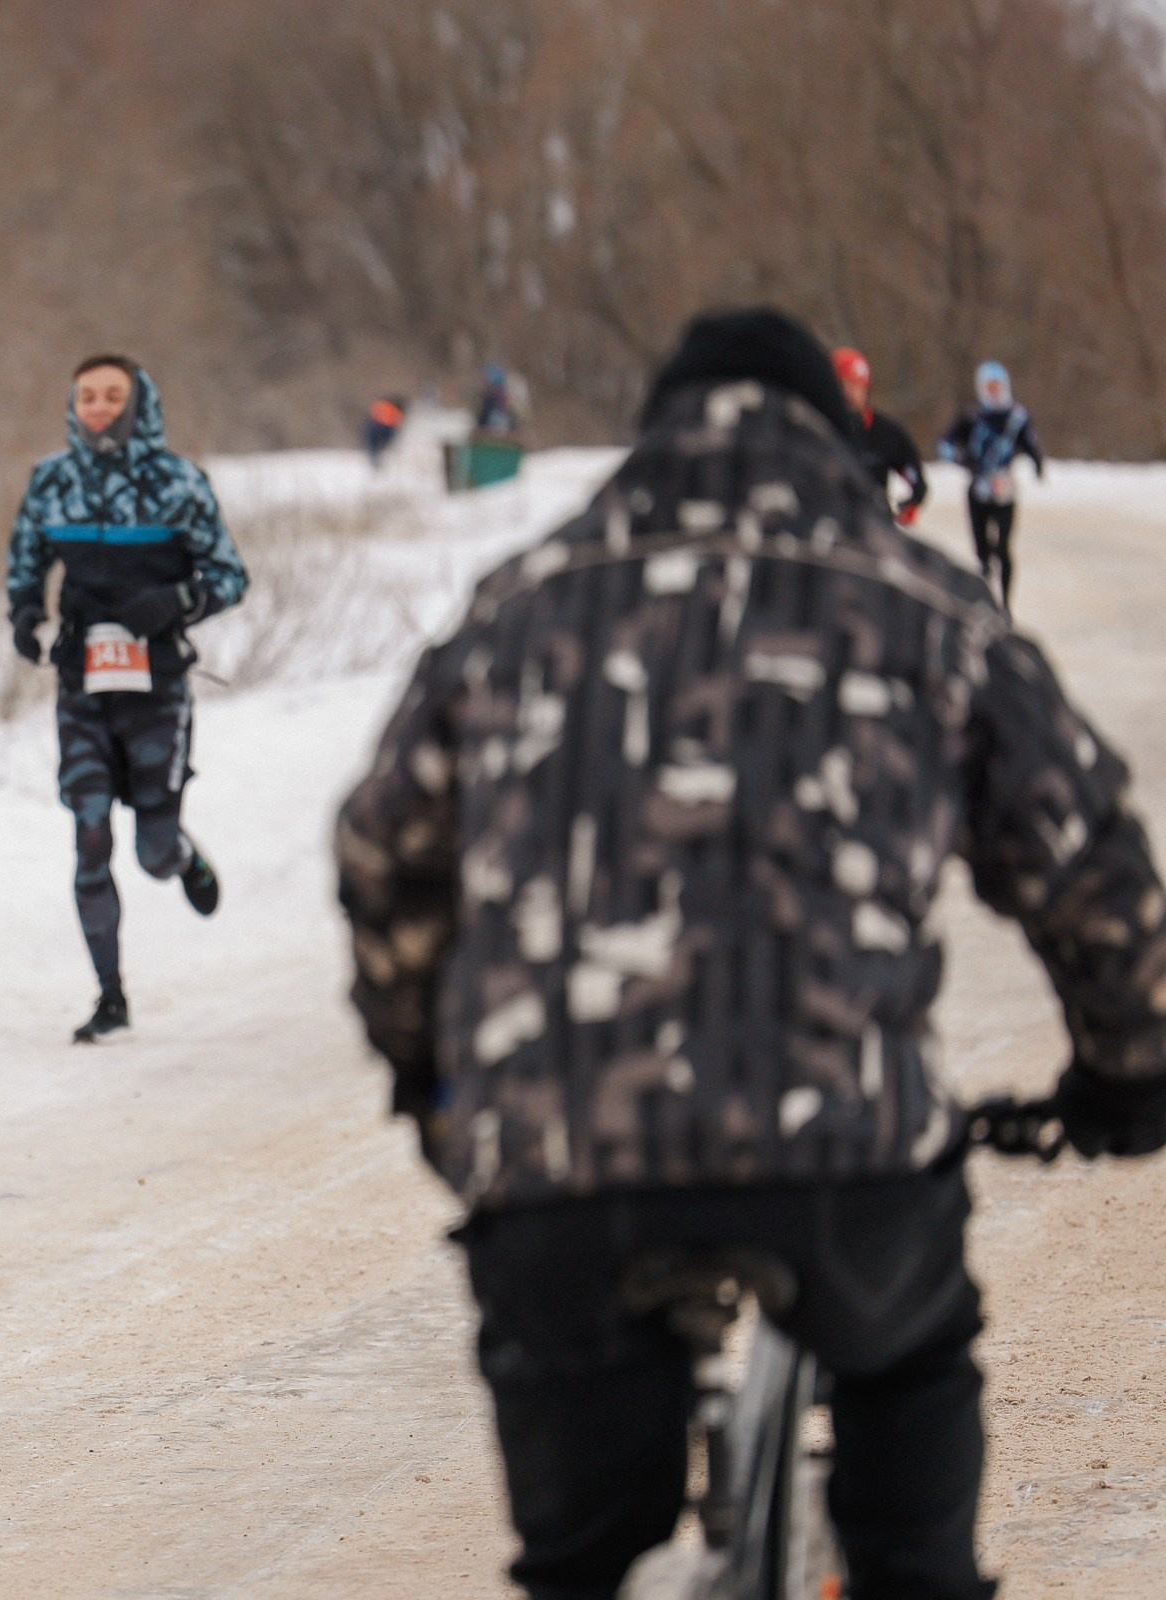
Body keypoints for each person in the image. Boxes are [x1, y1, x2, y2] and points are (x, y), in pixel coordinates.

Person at [335, 307, 1166, 1600]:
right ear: (839, 437)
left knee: (580, 1564)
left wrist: (422, 1065)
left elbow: (384, 848)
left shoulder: (518, 601)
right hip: (846, 1159)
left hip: (559, 1166)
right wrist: (1129, 1069)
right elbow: (1091, 861)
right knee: (910, 1377)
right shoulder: (920, 600)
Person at [6, 355, 248, 1043]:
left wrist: (177, 599)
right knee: (87, 828)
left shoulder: (179, 483)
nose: (100, 407)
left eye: (114, 395)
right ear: (73, 405)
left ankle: (181, 855)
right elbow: (25, 566)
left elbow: (231, 576)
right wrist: (25, 617)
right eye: (89, 396)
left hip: (158, 688)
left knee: (150, 850)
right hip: (82, 684)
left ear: (140, 404)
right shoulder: (52, 482)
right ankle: (110, 998)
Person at [938, 361, 1046, 610]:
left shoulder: (1017, 417)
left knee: (1004, 546)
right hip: (978, 488)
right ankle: (985, 588)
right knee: (981, 548)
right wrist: (964, 459)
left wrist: (1036, 461)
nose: (994, 391)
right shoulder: (972, 417)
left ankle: (1006, 604)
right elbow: (944, 445)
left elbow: (1029, 442)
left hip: (1004, 487)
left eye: (998, 386)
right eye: (989, 386)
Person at [833, 345, 928, 525]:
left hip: (874, 526)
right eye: (842, 385)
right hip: (831, 526)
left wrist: (912, 503)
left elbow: (914, 475)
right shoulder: (818, 426)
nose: (848, 393)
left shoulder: (885, 432)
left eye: (855, 386)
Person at [362, 394, 409, 470]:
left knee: (374, 446)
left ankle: (376, 459)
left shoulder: (381, 405)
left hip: (378, 427)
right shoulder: (395, 410)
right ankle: (380, 459)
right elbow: (397, 422)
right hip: (386, 429)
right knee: (386, 446)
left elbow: (371, 417)